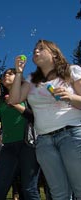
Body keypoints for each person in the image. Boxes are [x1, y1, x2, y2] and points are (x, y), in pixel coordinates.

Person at [8, 39, 81, 199]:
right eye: (34, 49)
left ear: (54, 54)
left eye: (41, 48)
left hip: (72, 134)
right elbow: (14, 100)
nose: (35, 51)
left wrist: (70, 96)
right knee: (58, 194)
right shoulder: (31, 79)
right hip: (44, 141)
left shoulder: (73, 71)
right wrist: (18, 72)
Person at [0, 68, 40, 200]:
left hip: (28, 145)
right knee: (0, 185)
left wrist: (16, 104)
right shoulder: (2, 100)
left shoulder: (27, 95)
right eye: (4, 74)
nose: (6, 75)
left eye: (10, 73)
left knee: (29, 187)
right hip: (8, 146)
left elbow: (35, 117)